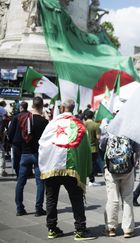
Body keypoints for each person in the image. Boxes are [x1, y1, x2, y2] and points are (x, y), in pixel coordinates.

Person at [38, 99, 97, 240]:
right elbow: (85, 149)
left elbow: (42, 143)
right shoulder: (79, 125)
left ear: (62, 107)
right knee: (76, 199)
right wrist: (86, 168)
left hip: (51, 166)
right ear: (73, 108)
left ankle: (52, 229)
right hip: (71, 169)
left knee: (51, 199)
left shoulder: (51, 124)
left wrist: (45, 163)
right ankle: (80, 230)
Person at [103, 133, 140, 238]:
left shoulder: (109, 129)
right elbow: (138, 148)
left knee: (112, 198)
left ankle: (110, 228)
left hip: (111, 168)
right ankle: (128, 229)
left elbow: (102, 146)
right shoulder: (130, 129)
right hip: (127, 168)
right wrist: (136, 159)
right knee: (128, 198)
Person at [15, 97, 48, 217]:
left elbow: (15, 136)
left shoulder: (21, 118)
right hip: (38, 154)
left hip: (24, 153)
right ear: (41, 106)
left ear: (32, 105)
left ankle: (19, 208)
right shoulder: (43, 121)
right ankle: (38, 208)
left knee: (20, 182)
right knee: (40, 182)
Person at [7, 102, 29, 176]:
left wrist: (9, 140)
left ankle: (18, 173)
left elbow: (11, 130)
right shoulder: (30, 116)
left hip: (16, 141)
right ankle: (26, 172)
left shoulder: (16, 117)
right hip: (27, 141)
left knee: (17, 159)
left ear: (21, 108)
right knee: (25, 157)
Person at [83, 110, 101, 186]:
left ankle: (84, 179)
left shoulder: (82, 124)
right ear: (93, 116)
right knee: (92, 164)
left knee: (85, 164)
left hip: (84, 148)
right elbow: (98, 137)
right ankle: (91, 180)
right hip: (93, 148)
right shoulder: (96, 125)